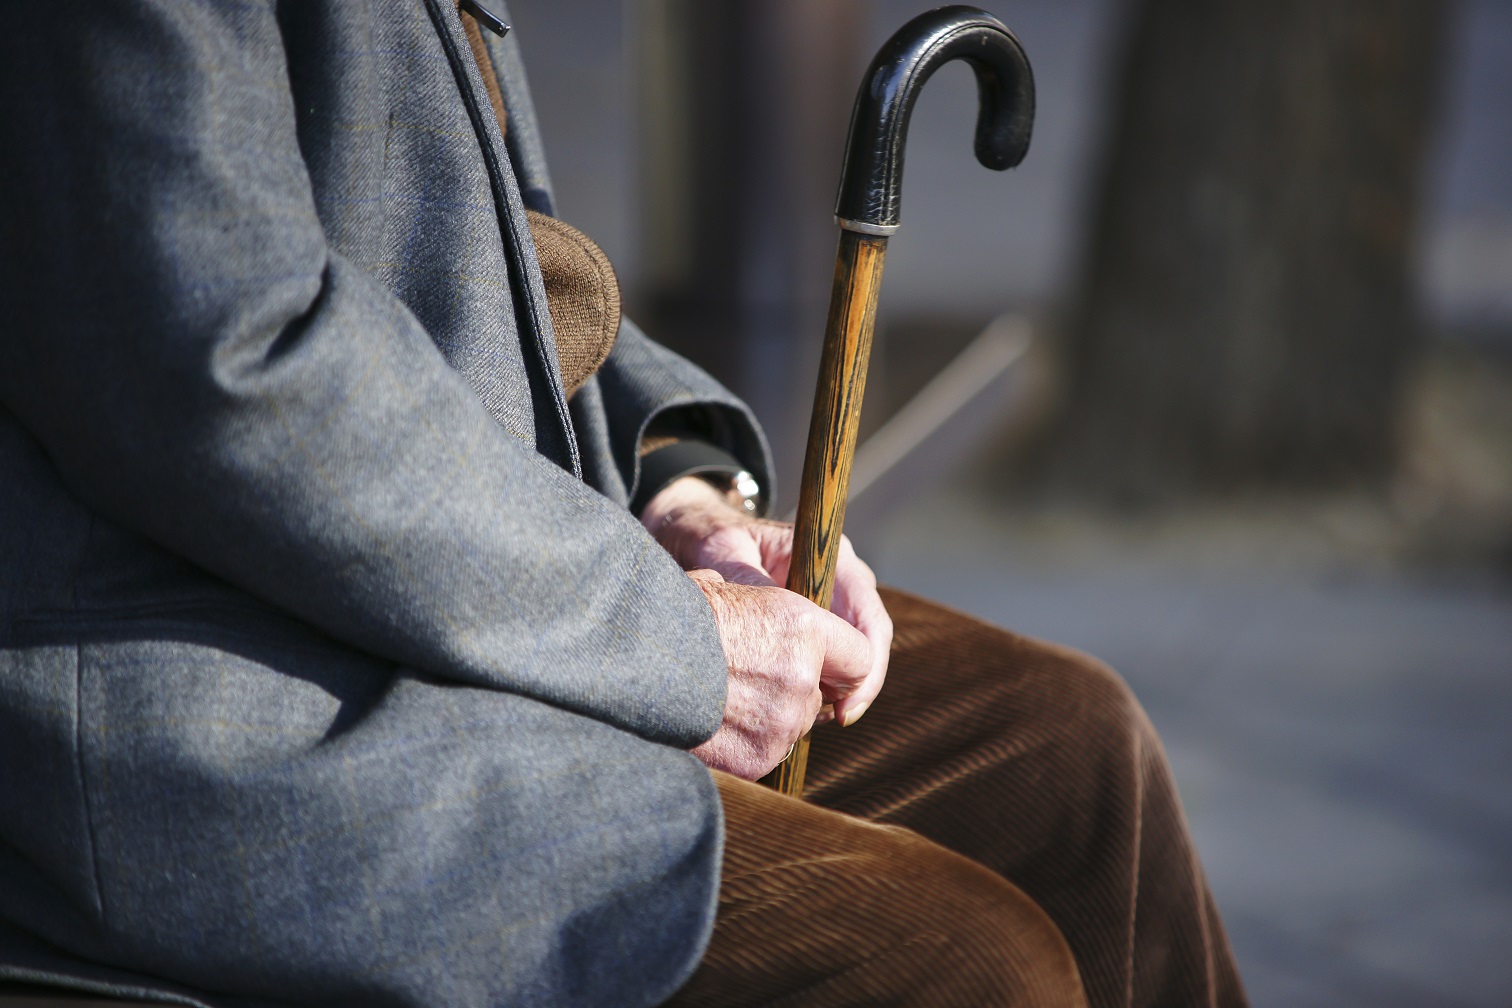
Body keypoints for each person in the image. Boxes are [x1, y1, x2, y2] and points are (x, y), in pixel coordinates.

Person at [0, 2, 1246, 1006]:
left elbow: (491, 244)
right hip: (238, 692)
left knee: (1072, 753)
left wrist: (680, 491)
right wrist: (668, 639)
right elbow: (224, 359)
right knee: (968, 965)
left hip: (450, 591)